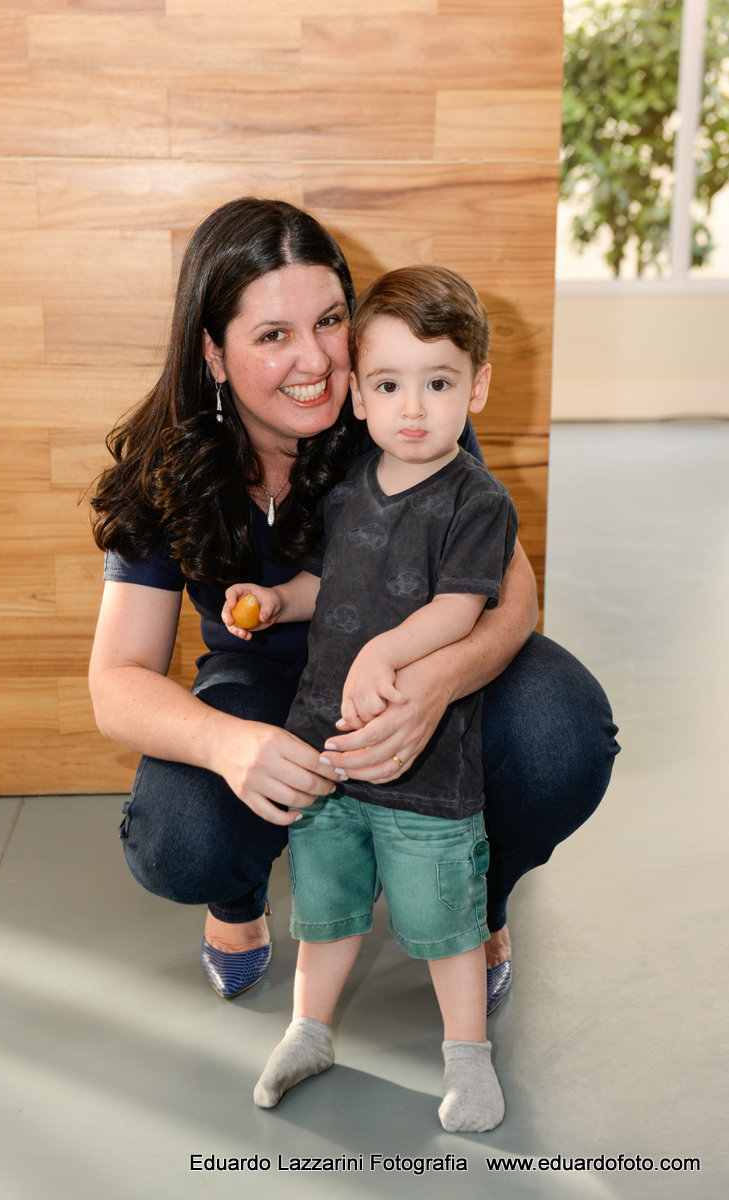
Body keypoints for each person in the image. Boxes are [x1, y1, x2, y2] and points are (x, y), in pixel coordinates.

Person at [88, 196, 618, 1009]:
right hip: (265, 683)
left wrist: (438, 682)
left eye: (330, 320)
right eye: (272, 336)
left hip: (416, 659)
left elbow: (513, 598)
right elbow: (117, 683)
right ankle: (235, 905)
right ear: (214, 354)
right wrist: (232, 748)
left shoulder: (401, 408)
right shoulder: (166, 466)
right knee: (180, 840)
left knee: (563, 734)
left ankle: (478, 897)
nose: (319, 363)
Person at [222, 265, 516, 1131]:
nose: (413, 409)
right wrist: (279, 599)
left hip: (423, 761)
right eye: (388, 385)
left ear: (478, 386)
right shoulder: (349, 487)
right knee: (326, 902)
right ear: (358, 395)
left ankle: (468, 1059)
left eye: (438, 382)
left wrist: (386, 652)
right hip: (328, 747)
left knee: (444, 918)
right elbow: (330, 579)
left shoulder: (475, 499)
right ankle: (308, 1029)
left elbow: (461, 606)